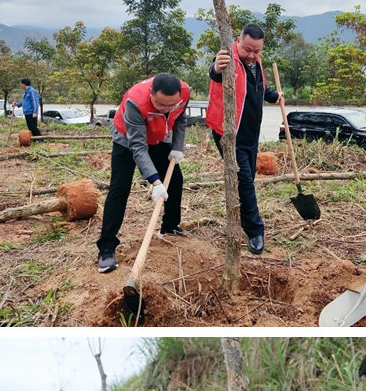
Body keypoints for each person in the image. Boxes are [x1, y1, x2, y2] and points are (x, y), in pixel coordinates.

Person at [96, 73, 190, 273]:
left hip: (158, 137)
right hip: (127, 140)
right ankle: (106, 248)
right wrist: (155, 182)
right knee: (119, 189)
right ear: (151, 94)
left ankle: (170, 227)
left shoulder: (184, 93)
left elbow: (180, 119)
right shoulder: (134, 101)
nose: (166, 110)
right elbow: (138, 147)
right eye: (161, 105)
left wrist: (177, 147)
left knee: (175, 179)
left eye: (170, 105)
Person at [206, 23, 282, 255]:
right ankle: (255, 230)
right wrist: (216, 67)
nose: (251, 55)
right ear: (238, 40)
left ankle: (241, 216)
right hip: (229, 134)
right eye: (247, 49)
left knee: (245, 180)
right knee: (246, 181)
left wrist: (274, 96)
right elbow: (215, 72)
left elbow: (257, 88)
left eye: (256, 51)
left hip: (250, 134)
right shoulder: (228, 60)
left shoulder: (255, 62)